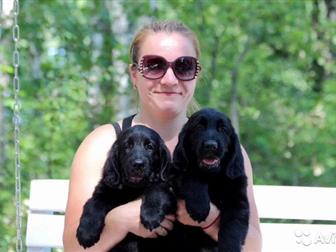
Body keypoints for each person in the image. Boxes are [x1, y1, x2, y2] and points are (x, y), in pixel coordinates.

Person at [63, 20, 262, 251]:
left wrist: (212, 220)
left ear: (197, 74)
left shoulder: (224, 149)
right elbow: (73, 247)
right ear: (134, 74)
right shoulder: (101, 144)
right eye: (154, 65)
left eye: (184, 66)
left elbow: (253, 245)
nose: (169, 79)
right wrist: (119, 221)